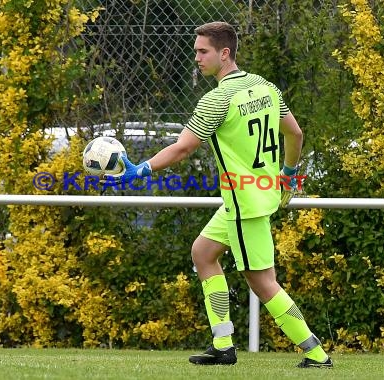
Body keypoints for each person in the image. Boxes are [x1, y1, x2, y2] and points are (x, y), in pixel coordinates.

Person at [109, 21, 332, 368]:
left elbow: (183, 149)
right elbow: (296, 134)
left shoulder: (217, 99)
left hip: (244, 203)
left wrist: (142, 169)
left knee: (262, 283)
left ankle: (316, 353)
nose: (195, 57)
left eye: (202, 51)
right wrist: (288, 175)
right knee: (203, 252)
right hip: (256, 195)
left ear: (224, 54)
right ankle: (223, 344)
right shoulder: (264, 87)